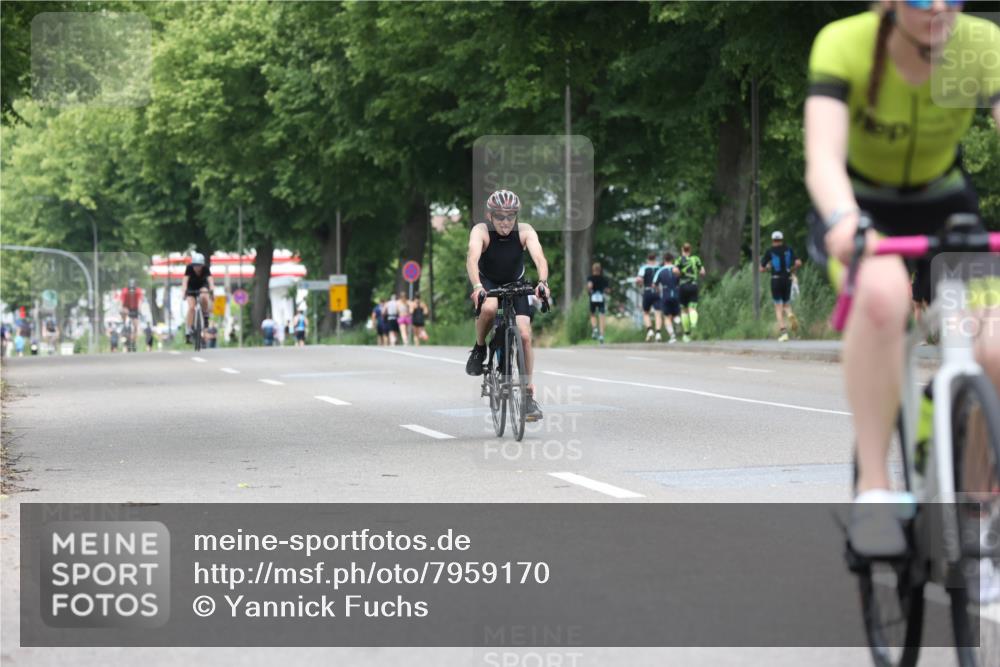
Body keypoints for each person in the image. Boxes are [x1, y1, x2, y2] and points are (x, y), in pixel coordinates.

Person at [805, 1, 1000, 567]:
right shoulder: (844, 43)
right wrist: (843, 218)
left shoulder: (979, 46)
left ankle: (980, 506)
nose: (938, 8)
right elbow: (823, 156)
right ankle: (875, 489)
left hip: (943, 200)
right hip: (860, 203)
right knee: (886, 295)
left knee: (994, 342)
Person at [465, 189, 550, 421]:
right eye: (500, 216)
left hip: (517, 282)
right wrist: (476, 286)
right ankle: (480, 347)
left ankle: (527, 395)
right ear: (490, 216)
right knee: (490, 309)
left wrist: (542, 282)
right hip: (488, 282)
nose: (505, 222)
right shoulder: (481, 231)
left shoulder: (525, 231)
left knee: (524, 335)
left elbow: (540, 258)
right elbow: (472, 258)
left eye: (510, 216)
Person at [759, 231, 802, 342]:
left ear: (773, 240)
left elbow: (761, 269)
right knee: (786, 304)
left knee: (778, 307)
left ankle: (784, 333)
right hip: (787, 279)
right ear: (782, 239)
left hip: (776, 280)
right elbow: (798, 262)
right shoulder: (788, 249)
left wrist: (768, 267)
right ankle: (790, 314)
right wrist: (792, 270)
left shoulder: (770, 251)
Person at [181, 253, 214, 345]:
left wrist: (212, 290)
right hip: (191, 287)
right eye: (195, 265)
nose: (197, 267)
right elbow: (185, 280)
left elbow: (210, 280)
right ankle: (188, 330)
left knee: (204, 295)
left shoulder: (206, 269)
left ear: (202, 265)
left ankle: (205, 314)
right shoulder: (189, 268)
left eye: (199, 265)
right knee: (191, 307)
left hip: (202, 286)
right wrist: (184, 291)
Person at [676, 243, 705, 342]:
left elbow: (675, 270)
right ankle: (693, 323)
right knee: (692, 308)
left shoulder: (679, 259)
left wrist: (680, 273)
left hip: (683, 286)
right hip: (693, 286)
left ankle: (686, 334)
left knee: (684, 311)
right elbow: (702, 272)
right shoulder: (696, 259)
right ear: (690, 250)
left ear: (682, 249)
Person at [653, 253, 681, 343]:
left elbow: (654, 284)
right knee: (675, 313)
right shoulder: (676, 269)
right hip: (676, 294)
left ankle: (672, 336)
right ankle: (677, 320)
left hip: (666, 295)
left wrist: (657, 289)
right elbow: (681, 279)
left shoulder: (660, 271)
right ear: (672, 259)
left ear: (664, 260)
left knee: (666, 317)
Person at [635, 253, 661, 341]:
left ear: (647, 259)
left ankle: (650, 330)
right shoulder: (659, 268)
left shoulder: (644, 268)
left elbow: (639, 280)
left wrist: (639, 283)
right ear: (655, 258)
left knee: (646, 312)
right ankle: (658, 333)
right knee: (658, 313)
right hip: (657, 292)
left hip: (647, 291)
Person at [587, 262, 611, 344]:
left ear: (593, 269)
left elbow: (590, 286)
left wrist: (589, 290)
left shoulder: (590, 278)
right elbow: (608, 290)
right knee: (602, 316)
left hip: (593, 297)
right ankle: (601, 335)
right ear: (600, 270)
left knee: (592, 314)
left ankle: (595, 328)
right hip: (601, 298)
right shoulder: (603, 279)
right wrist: (605, 290)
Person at [118, 279, 144, 352]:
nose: (131, 292)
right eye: (130, 290)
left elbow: (140, 301)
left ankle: (134, 340)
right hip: (126, 307)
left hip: (135, 308)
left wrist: (139, 310)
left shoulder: (138, 291)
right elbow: (121, 302)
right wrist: (121, 310)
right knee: (124, 314)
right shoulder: (124, 291)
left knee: (135, 324)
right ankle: (124, 327)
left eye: (133, 290)